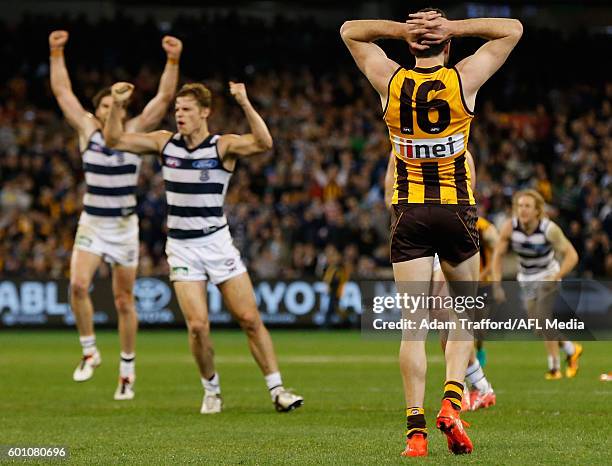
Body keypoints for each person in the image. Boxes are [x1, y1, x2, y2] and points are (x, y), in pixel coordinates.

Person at [342, 8, 522, 456]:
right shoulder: (463, 78)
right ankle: (452, 403)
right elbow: (513, 29)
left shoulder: (390, 80)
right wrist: (454, 27)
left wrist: (403, 30)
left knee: (413, 329)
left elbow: (350, 30)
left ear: (409, 46)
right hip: (457, 210)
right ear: (447, 44)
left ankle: (416, 434)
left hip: (410, 213)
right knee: (464, 318)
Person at [103, 81, 303, 413]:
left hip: (217, 243)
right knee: (197, 326)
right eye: (177, 110)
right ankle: (211, 390)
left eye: (186, 110)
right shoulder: (164, 143)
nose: (179, 115)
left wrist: (244, 102)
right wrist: (118, 107)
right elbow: (114, 139)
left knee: (250, 319)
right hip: (182, 248)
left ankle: (277, 390)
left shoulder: (221, 146)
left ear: (205, 112)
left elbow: (264, 143)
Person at [49, 30, 182, 400]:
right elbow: (63, 93)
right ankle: (90, 350)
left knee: (124, 301)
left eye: (114, 105)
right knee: (77, 285)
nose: (109, 111)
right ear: (98, 110)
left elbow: (165, 97)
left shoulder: (134, 132)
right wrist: (56, 52)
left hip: (124, 225)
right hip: (93, 221)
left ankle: (127, 370)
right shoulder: (88, 130)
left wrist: (172, 60)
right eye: (104, 106)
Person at [386, 151, 497, 412]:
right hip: (422, 222)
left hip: (441, 223)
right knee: (442, 320)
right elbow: (389, 184)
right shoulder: (400, 148)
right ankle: (477, 383)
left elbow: (468, 190)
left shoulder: (459, 150)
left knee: (442, 314)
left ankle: (474, 387)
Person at [492, 189, 583, 379]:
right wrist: (496, 283)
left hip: (547, 274)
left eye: (527, 206)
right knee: (538, 327)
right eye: (520, 206)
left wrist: (557, 274)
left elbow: (572, 255)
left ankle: (554, 368)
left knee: (543, 317)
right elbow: (498, 255)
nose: (523, 210)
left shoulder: (548, 229)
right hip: (526, 278)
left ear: (537, 211)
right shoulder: (510, 227)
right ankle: (571, 348)